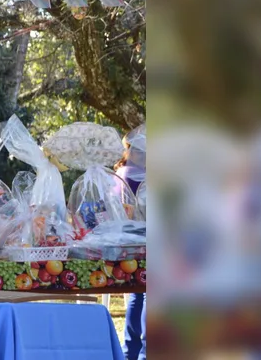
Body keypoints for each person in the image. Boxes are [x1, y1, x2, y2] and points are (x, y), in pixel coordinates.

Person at [116, 125, 146, 360]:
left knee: (138, 293)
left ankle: (131, 352)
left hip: (126, 239)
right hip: (143, 237)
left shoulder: (122, 172)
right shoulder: (139, 176)